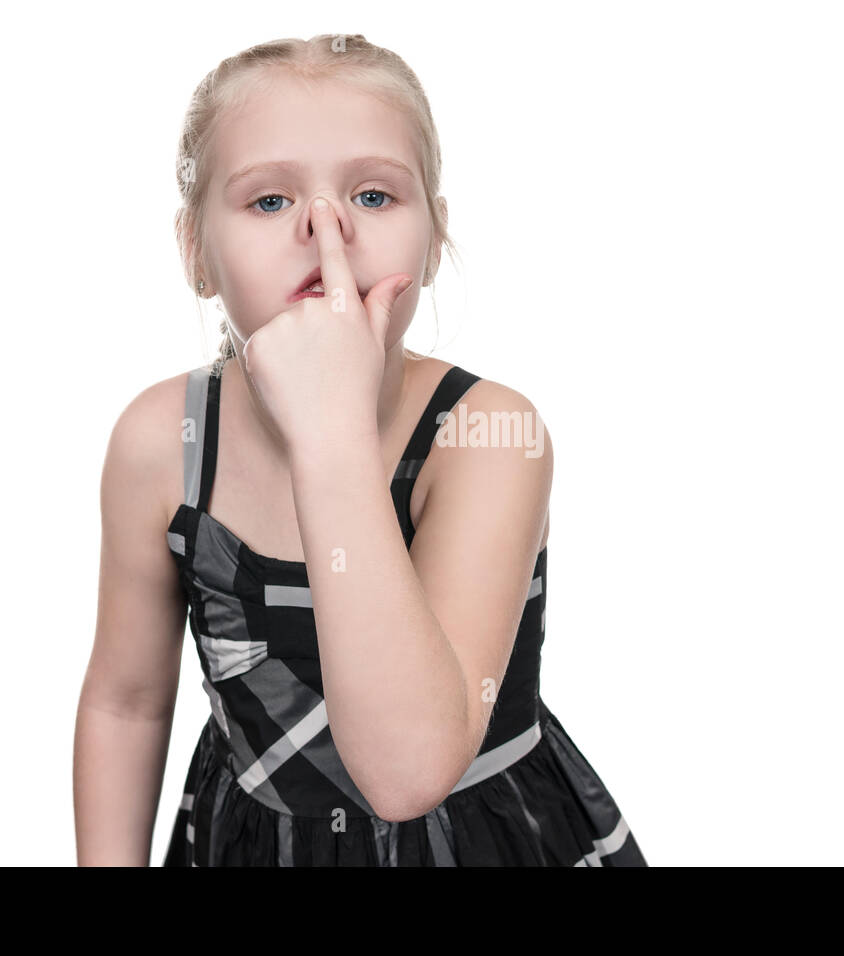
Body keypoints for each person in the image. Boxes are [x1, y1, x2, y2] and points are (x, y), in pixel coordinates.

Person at [73, 34, 647, 866]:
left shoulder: (490, 436)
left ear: (434, 239)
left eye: (374, 196)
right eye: (269, 202)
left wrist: (329, 428)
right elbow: (125, 704)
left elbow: (408, 775)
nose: (326, 231)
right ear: (196, 251)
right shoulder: (162, 441)